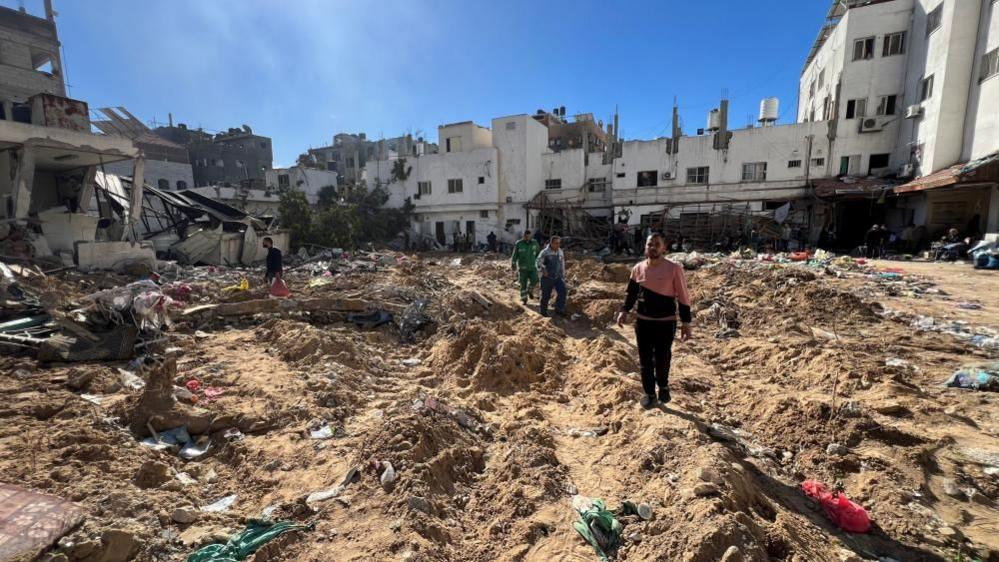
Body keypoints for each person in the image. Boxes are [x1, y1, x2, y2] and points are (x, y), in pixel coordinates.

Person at [615, 233, 692, 409]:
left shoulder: (673, 269)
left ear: (664, 248)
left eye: (657, 244)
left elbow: (683, 296)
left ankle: (663, 386)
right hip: (643, 322)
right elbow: (631, 293)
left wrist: (686, 323)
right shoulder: (638, 268)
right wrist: (624, 311)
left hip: (666, 322)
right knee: (645, 360)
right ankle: (649, 393)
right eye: (650, 244)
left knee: (662, 358)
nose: (653, 247)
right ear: (645, 247)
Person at [536, 235, 567, 317]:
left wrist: (563, 275)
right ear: (551, 243)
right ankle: (543, 312)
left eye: (559, 243)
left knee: (563, 291)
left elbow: (562, 264)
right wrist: (543, 270)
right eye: (556, 243)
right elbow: (538, 262)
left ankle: (559, 309)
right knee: (545, 295)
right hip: (547, 278)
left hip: (558, 277)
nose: (558, 245)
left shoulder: (560, 252)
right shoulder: (545, 252)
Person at [511, 230, 541, 305]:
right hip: (522, 268)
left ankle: (530, 290)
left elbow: (538, 254)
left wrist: (540, 263)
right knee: (523, 283)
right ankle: (524, 299)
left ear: (531, 236)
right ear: (523, 236)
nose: (527, 238)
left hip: (532, 267)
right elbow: (515, 254)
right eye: (526, 236)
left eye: (529, 236)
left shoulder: (535, 243)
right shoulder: (519, 244)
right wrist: (513, 263)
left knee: (535, 279)